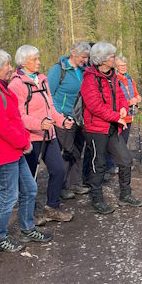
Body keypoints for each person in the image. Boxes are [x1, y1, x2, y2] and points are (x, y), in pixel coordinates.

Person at [0, 47, 52, 252]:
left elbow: (15, 119)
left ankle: (27, 228)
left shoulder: (2, 88)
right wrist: (24, 142)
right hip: (2, 153)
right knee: (9, 196)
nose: (11, 69)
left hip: (14, 151)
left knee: (30, 189)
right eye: (7, 66)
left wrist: (22, 142)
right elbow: (3, 127)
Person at [10, 44, 73, 224]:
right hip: (30, 138)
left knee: (58, 170)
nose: (39, 62)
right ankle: (30, 213)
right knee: (30, 178)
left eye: (38, 58)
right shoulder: (16, 85)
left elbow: (50, 108)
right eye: (35, 59)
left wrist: (62, 121)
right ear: (24, 62)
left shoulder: (42, 80)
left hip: (48, 134)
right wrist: (38, 124)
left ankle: (52, 207)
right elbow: (18, 115)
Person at [80, 42, 142, 214]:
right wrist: (117, 117)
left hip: (112, 127)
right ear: (101, 59)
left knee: (125, 159)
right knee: (98, 164)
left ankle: (125, 195)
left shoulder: (113, 76)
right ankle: (97, 199)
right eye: (112, 56)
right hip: (96, 129)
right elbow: (95, 106)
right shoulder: (89, 79)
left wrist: (123, 107)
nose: (114, 59)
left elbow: (121, 95)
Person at [47, 41, 91, 199]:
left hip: (80, 117)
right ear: (73, 53)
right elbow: (49, 95)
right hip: (64, 118)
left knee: (78, 150)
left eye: (87, 57)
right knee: (66, 152)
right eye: (82, 57)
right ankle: (62, 186)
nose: (85, 60)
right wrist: (59, 115)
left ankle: (75, 183)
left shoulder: (84, 70)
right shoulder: (58, 70)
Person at [115, 55, 141, 150]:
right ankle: (116, 163)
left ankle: (120, 163)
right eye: (121, 65)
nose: (123, 67)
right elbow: (115, 100)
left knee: (124, 141)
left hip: (129, 116)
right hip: (118, 117)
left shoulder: (130, 80)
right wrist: (129, 102)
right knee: (118, 142)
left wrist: (138, 98)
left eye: (125, 65)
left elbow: (136, 93)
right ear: (116, 67)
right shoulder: (114, 80)